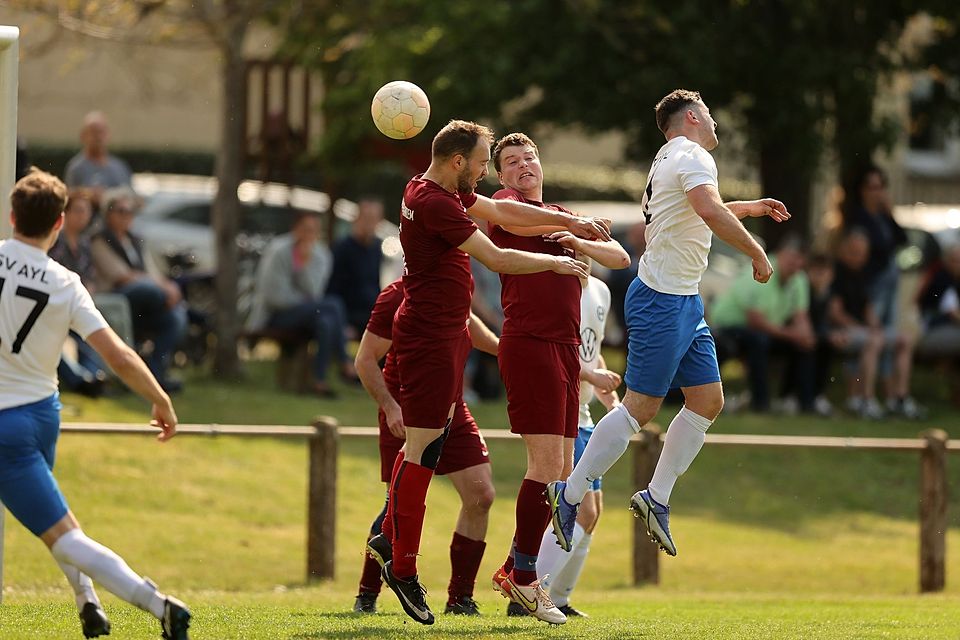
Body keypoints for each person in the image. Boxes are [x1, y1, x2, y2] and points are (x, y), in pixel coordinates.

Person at [380, 119, 609, 626]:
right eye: (486, 162)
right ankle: (403, 563)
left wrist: (572, 228)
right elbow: (498, 254)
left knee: (431, 449)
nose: (487, 173)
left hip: (446, 338)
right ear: (459, 161)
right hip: (430, 337)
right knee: (420, 449)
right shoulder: (437, 201)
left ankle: (402, 549)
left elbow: (502, 210)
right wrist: (557, 263)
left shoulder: (431, 187)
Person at [546, 89, 790, 560]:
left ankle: (655, 497)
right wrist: (757, 251)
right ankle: (570, 494)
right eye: (712, 116)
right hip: (661, 299)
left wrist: (750, 207)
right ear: (694, 117)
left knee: (707, 399)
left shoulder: (669, 157)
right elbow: (707, 209)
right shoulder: (693, 153)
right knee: (640, 409)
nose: (717, 125)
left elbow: (697, 210)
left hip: (681, 299)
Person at [0, 168, 191, 639]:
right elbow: (118, 355)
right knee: (59, 521)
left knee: (64, 535)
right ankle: (87, 602)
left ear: (11, 216)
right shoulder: (65, 282)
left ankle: (161, 606)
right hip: (43, 413)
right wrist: (160, 398)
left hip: (6, 426)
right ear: (61, 223)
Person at [487, 132, 629, 624]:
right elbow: (512, 220)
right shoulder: (507, 204)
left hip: (567, 353)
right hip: (530, 344)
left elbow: (618, 258)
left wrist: (576, 235)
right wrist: (571, 225)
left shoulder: (560, 214)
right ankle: (523, 577)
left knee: (563, 473)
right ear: (500, 175)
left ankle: (516, 568)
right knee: (547, 467)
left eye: (530, 157)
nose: (524, 165)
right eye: (512, 161)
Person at [352, 279, 498, 616]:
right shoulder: (397, 296)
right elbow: (364, 359)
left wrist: (506, 349)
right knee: (397, 507)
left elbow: (468, 324)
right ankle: (367, 595)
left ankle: (459, 599)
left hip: (452, 408)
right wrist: (390, 407)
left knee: (482, 496)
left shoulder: (455, 286)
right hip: (407, 409)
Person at [531, 266, 620, 619]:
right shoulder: (557, 286)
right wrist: (592, 374)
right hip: (561, 410)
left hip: (584, 412)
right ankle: (528, 592)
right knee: (578, 511)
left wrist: (605, 392)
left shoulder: (600, 289)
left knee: (591, 512)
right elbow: (556, 351)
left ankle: (558, 597)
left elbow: (589, 348)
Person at [245, 210, 355, 397]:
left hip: (309, 315)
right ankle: (344, 362)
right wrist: (304, 302)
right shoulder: (278, 250)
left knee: (326, 323)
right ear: (295, 229)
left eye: (314, 230)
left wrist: (304, 265)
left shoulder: (321, 255)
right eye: (305, 229)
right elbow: (274, 297)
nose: (309, 235)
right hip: (276, 315)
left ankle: (319, 381)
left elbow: (315, 292)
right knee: (333, 305)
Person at [90, 190, 187, 392]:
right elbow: (121, 276)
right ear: (108, 214)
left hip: (143, 304)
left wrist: (169, 288)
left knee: (173, 320)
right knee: (150, 290)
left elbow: (152, 272)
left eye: (131, 211)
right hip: (115, 300)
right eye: (121, 211)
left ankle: (155, 375)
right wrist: (164, 289)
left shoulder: (135, 240)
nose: (127, 216)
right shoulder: (99, 240)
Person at [710, 236, 817, 413]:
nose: (795, 264)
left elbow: (801, 316)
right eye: (792, 258)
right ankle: (761, 402)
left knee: (805, 346)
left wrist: (807, 337)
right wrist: (793, 335)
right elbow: (755, 320)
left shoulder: (799, 279)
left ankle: (804, 403)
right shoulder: (763, 268)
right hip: (730, 327)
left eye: (799, 260)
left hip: (765, 330)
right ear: (780, 254)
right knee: (759, 341)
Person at [829, 230, 920, 419]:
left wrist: (875, 324)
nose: (860, 258)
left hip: (863, 330)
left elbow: (867, 308)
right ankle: (866, 399)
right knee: (874, 341)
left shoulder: (860, 274)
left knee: (904, 339)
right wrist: (862, 327)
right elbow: (835, 313)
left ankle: (899, 398)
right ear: (843, 251)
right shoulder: (836, 274)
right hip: (842, 330)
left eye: (863, 254)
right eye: (855, 252)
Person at [48, 191, 109, 397]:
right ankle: (80, 379)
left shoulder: (84, 243)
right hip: (54, 303)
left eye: (87, 211)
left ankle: (94, 376)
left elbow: (89, 276)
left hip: (76, 302)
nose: (84, 216)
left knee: (88, 335)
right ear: (65, 213)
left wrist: (85, 292)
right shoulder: (54, 240)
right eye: (79, 210)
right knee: (56, 336)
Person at [329, 197, 385, 337]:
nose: (369, 223)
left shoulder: (377, 248)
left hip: (370, 311)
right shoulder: (343, 248)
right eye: (366, 218)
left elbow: (375, 283)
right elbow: (333, 288)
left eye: (373, 219)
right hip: (348, 313)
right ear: (357, 218)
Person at [64, 112, 133, 212]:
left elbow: (132, 198)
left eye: (102, 132)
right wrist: (88, 195)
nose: (99, 137)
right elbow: (68, 200)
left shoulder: (120, 167)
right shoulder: (76, 168)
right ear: (83, 136)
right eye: (94, 132)